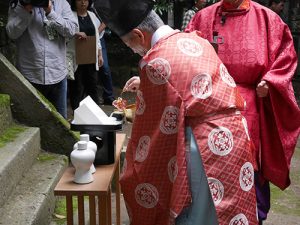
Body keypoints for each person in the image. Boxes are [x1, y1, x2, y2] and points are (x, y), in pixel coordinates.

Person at [95, 0, 257, 224]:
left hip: (203, 147)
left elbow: (151, 131)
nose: (132, 50)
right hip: (235, 136)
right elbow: (190, 85)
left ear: (138, 35)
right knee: (228, 211)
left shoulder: (154, 62)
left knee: (198, 215)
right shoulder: (196, 39)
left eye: (128, 44)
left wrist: (134, 169)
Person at [185, 0, 300, 224]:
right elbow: (184, 53)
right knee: (207, 163)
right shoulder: (203, 18)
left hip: (249, 105)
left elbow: (286, 56)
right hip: (210, 103)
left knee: (248, 164)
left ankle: (254, 216)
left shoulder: (268, 20)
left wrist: (271, 80)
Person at [6, 0, 78, 118]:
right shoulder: (20, 3)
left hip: (57, 74)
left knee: (61, 125)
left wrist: (50, 12)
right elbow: (11, 33)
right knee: (31, 122)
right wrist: (26, 11)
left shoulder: (62, 3)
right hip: (29, 75)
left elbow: (72, 30)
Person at [68, 0, 103, 111]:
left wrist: (100, 54)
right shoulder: (70, 15)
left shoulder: (92, 15)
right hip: (76, 56)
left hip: (91, 57)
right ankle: (77, 113)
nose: (83, 2)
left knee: (92, 85)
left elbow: (97, 36)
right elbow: (65, 33)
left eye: (86, 0)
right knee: (76, 86)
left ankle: (95, 112)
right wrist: (75, 33)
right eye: (79, 0)